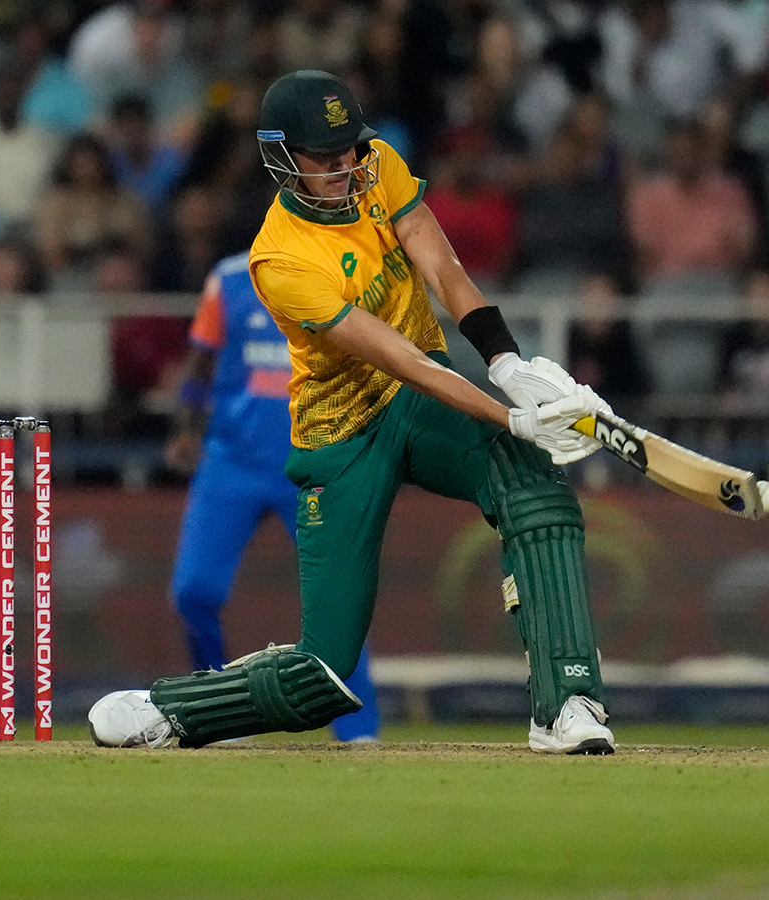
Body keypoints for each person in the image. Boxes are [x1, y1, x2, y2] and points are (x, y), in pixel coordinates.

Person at [88, 69, 616, 755]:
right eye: (325, 156)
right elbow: (401, 358)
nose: (345, 166)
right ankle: (173, 708)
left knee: (535, 488)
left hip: (417, 405)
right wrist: (510, 415)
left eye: (351, 148)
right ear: (280, 156)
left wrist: (507, 362)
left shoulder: (375, 167)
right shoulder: (279, 259)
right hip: (342, 435)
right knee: (324, 674)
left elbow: (444, 269)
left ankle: (567, 702)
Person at [165, 250, 380, 741]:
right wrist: (185, 427)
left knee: (340, 598)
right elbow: (201, 362)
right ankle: (219, 710)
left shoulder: (344, 273)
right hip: (231, 463)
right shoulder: (228, 279)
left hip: (314, 461)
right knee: (194, 593)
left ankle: (358, 731)